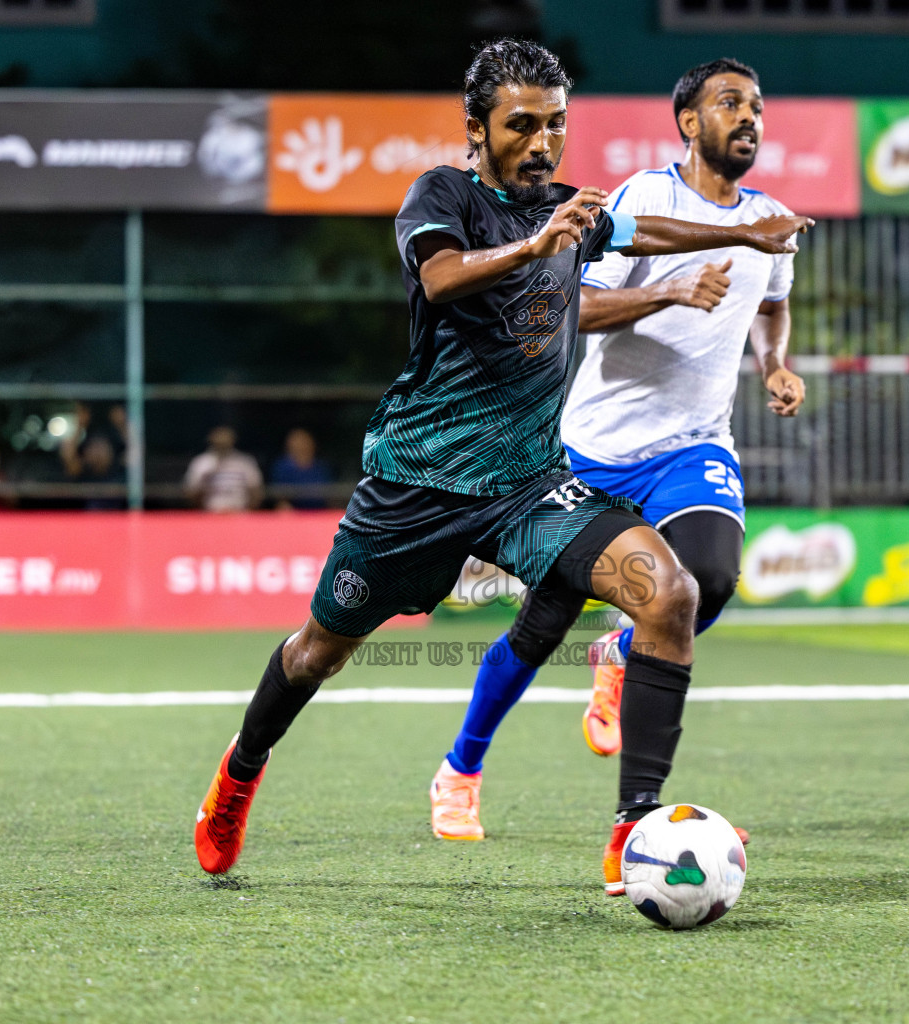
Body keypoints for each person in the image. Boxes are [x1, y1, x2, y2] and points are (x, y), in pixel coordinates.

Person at [190, 39, 811, 898]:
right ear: (476, 127)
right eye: (522, 124)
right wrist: (535, 249)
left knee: (671, 594)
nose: (543, 142)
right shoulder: (442, 195)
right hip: (418, 485)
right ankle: (240, 772)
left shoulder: (569, 208)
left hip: (529, 485)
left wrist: (744, 231)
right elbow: (442, 277)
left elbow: (648, 228)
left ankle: (634, 829)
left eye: (556, 125)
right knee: (316, 654)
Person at [429, 57, 808, 845]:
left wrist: (774, 362)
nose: (749, 117)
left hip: (692, 447)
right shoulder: (643, 200)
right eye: (730, 103)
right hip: (590, 454)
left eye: (757, 105)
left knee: (707, 580)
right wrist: (665, 290)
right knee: (537, 630)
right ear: (689, 122)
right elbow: (574, 304)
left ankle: (625, 671)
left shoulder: (772, 221)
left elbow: (771, 303)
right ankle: (461, 768)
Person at [185, 426, 264, 512]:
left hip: (239, 513)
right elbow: (190, 492)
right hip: (210, 513)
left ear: (232, 441)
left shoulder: (245, 462)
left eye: (225, 443)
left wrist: (248, 512)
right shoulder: (201, 463)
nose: (222, 446)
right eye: (219, 443)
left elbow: (256, 492)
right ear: (211, 441)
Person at [270, 427, 333, 510]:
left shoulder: (321, 466)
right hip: (292, 513)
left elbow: (331, 494)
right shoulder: (282, 467)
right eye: (297, 441)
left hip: (320, 512)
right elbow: (278, 496)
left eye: (304, 441)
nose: (301, 445)